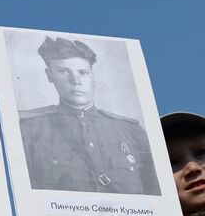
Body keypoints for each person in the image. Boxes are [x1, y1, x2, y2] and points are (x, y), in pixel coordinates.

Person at [19, 36, 158, 195]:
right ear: (49, 75)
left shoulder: (130, 130)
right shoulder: (30, 129)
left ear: (93, 75)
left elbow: (155, 192)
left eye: (83, 72)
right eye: (64, 71)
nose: (75, 81)